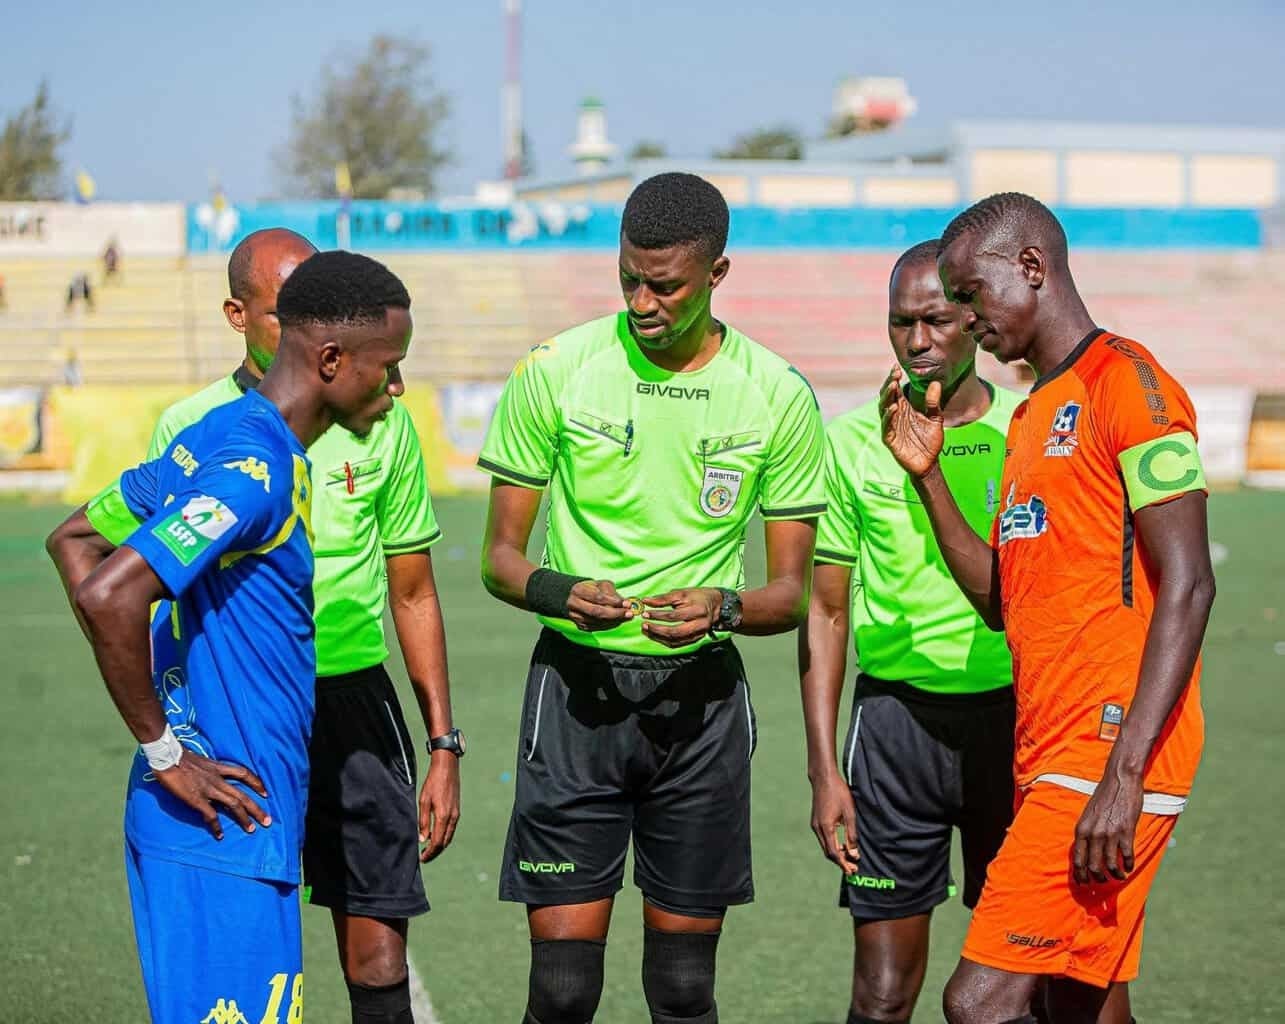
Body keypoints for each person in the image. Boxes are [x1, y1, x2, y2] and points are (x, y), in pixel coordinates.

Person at [477, 171, 827, 1024]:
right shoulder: (556, 371)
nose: (641, 300)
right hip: (575, 697)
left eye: (663, 284)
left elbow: (792, 592)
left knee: (681, 988)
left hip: (699, 707)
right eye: (628, 277)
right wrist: (559, 593)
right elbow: (498, 559)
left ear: (717, 274)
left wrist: (727, 607)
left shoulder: (776, 393)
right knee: (560, 992)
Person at [45, 250, 416, 1024]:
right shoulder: (255, 472)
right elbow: (109, 590)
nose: (397, 386)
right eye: (389, 366)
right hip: (225, 824)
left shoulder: (221, 435)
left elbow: (76, 539)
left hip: (226, 818)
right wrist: (168, 748)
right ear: (331, 359)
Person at [880, 192, 1214, 1024]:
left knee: (979, 1002)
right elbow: (1003, 601)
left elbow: (1190, 582)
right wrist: (927, 481)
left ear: (1030, 267)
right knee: (1080, 1002)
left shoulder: (1129, 385)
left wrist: (1122, 775)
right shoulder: (1027, 417)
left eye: (970, 293)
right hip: (1048, 748)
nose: (964, 318)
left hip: (1106, 755)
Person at [142, 227, 460, 1024]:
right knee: (245, 962)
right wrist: (167, 737)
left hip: (353, 701)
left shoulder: (380, 417)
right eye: (283, 309)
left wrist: (444, 744)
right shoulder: (197, 429)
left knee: (378, 947)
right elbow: (131, 588)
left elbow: (413, 591)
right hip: (236, 716)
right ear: (238, 313)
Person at [800, 239, 1021, 1024]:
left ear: (974, 320)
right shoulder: (850, 441)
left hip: (1015, 723)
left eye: (934, 320)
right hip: (892, 731)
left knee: (1021, 988)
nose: (917, 342)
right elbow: (824, 610)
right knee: (882, 994)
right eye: (900, 323)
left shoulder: (1025, 435)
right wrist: (825, 767)